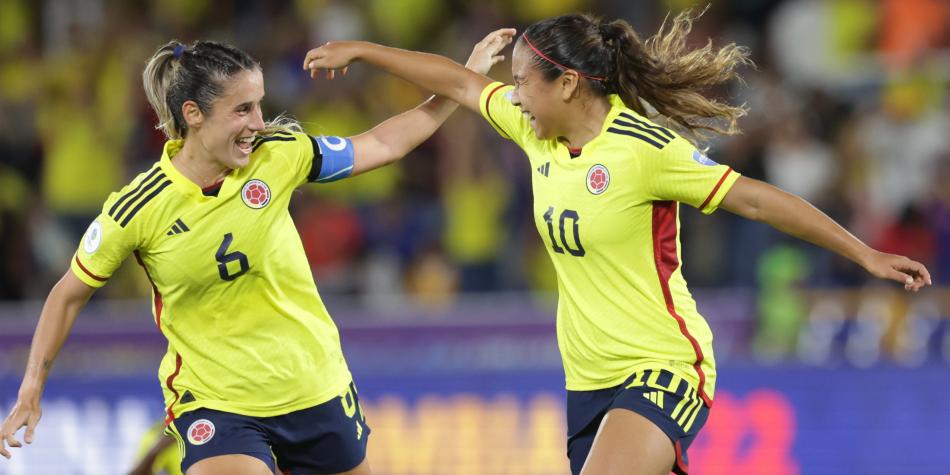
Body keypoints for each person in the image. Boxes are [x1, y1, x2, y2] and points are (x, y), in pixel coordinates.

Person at [301, 11, 933, 475]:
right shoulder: (535, 132)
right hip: (588, 381)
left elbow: (759, 200)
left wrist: (865, 253)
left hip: (663, 365)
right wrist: (363, 49)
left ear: (570, 84)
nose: (513, 94)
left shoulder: (645, 151)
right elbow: (462, 84)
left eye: (524, 81)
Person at [0, 30, 515, 475]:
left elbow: (384, 145)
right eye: (242, 109)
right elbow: (67, 295)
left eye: (260, 105)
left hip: (313, 384)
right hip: (216, 402)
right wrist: (31, 388)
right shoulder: (138, 208)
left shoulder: (280, 155)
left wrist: (460, 84)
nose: (258, 122)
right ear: (193, 115)